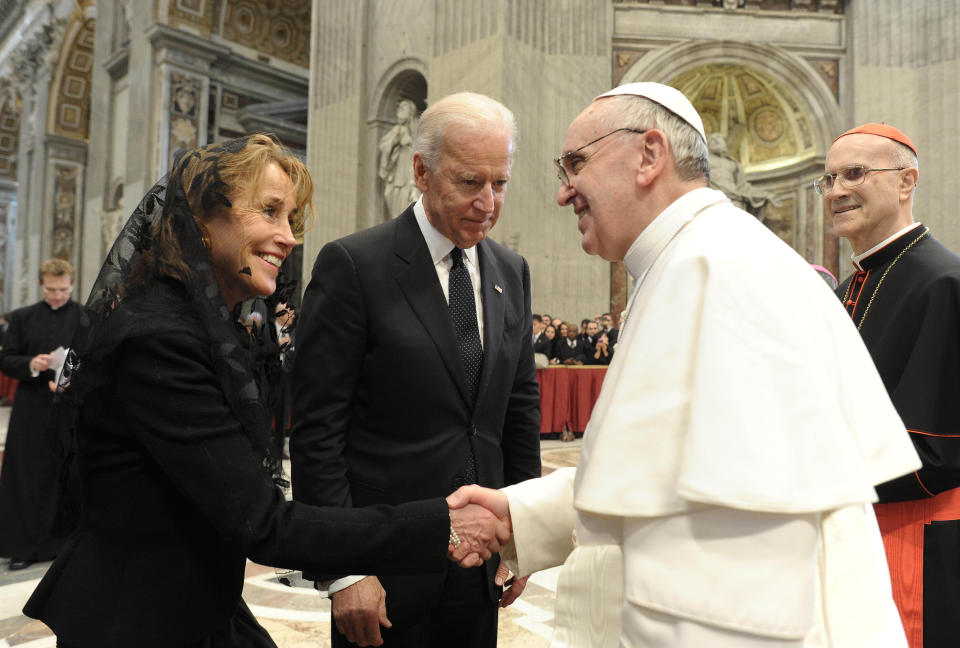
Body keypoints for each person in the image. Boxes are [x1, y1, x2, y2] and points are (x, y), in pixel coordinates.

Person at [448, 82, 922, 647]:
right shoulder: (693, 259)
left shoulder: (717, 271)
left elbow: (732, 573)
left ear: (649, 155)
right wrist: (519, 515)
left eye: (575, 163)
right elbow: (670, 477)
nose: (563, 191)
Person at [21, 135, 507, 648]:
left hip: (196, 602)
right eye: (270, 212)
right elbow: (265, 523)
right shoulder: (159, 338)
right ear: (204, 219)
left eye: (289, 218)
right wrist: (442, 524)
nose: (289, 237)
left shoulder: (204, 325)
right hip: (137, 618)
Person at [290, 92, 541, 648]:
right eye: (470, 182)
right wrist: (344, 570)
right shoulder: (354, 265)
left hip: (479, 569)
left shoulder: (511, 271)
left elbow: (518, 410)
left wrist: (523, 534)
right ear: (421, 171)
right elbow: (317, 430)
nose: (487, 203)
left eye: (499, 184)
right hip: (383, 571)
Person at [823, 122, 960, 648]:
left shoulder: (942, 281)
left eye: (854, 173)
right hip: (858, 526)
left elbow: (938, 455)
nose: (837, 191)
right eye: (829, 179)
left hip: (916, 536)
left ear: (906, 182)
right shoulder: (848, 286)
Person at [0, 258, 80, 570]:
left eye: (63, 289)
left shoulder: (85, 316)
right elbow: (7, 361)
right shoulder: (21, 318)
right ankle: (23, 547)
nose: (58, 295)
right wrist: (33, 365)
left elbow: (95, 359)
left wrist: (70, 383)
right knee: (26, 476)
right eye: (51, 290)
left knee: (66, 474)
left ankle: (64, 544)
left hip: (70, 408)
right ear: (40, 285)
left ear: (72, 284)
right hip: (32, 408)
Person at [379, 99, 421, 217]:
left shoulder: (417, 128)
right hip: (398, 171)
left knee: (411, 197)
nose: (399, 112)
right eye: (399, 109)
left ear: (410, 111)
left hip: (411, 169)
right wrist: (395, 141)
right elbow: (384, 145)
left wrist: (409, 142)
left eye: (403, 108)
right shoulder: (397, 130)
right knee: (394, 195)